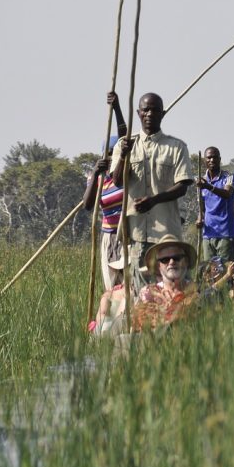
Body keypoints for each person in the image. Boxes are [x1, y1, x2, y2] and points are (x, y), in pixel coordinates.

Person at [110, 93, 194, 286]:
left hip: (167, 232)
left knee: (173, 289)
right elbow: (117, 181)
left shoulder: (176, 147)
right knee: (141, 292)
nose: (149, 114)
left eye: (155, 110)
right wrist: (124, 155)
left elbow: (182, 187)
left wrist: (153, 200)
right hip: (138, 232)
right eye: (145, 110)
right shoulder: (125, 145)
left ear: (162, 114)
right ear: (139, 113)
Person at [83, 91, 127, 290]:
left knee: (129, 286)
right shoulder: (98, 178)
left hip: (127, 234)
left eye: (114, 154)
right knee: (112, 287)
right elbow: (88, 205)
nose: (111, 158)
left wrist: (117, 107)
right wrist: (95, 173)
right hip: (109, 236)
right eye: (108, 154)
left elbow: (125, 135)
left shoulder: (125, 172)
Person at [133, 235, 198, 331]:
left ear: (186, 262)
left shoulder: (198, 291)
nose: (171, 262)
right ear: (158, 266)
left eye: (177, 258)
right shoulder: (149, 293)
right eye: (165, 259)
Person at [196, 146, 234, 264]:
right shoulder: (201, 181)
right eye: (209, 158)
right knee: (209, 272)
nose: (212, 160)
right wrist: (200, 219)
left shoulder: (229, 177)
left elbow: (227, 194)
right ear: (205, 161)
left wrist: (208, 186)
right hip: (208, 234)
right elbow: (202, 208)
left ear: (220, 159)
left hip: (226, 233)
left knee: (227, 272)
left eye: (215, 157)